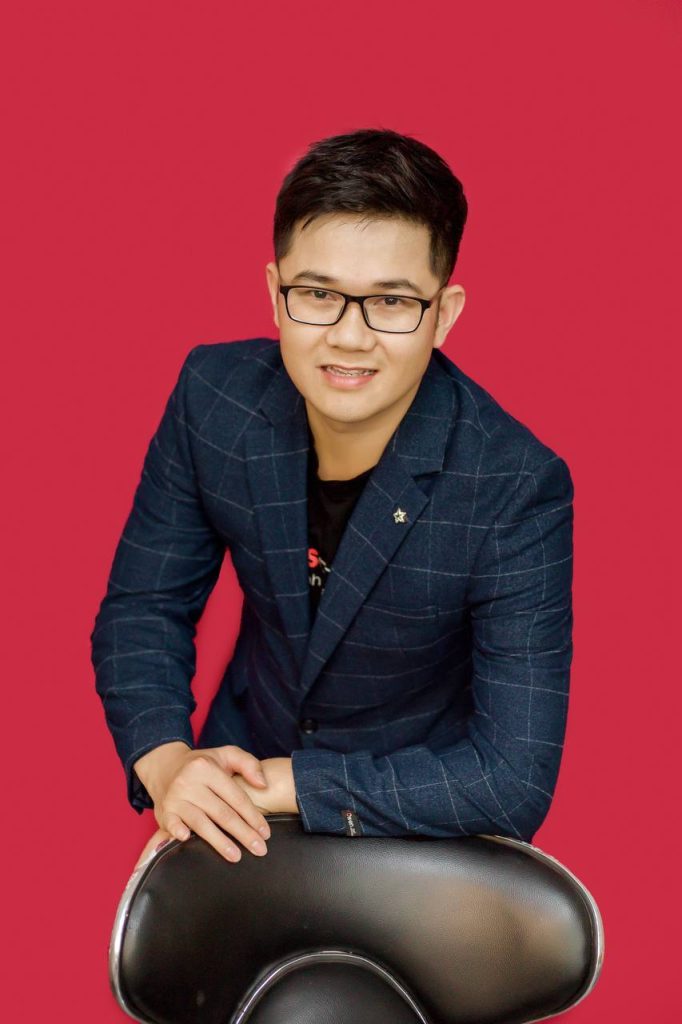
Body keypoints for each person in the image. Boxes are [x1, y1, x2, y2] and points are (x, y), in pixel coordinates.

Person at [90, 127, 574, 871]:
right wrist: (166, 759)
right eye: (318, 294)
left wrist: (285, 784)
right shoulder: (214, 399)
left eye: (391, 301)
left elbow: (512, 778)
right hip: (231, 799)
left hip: (415, 830)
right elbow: (143, 607)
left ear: (444, 314)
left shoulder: (513, 486)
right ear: (274, 294)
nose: (349, 338)